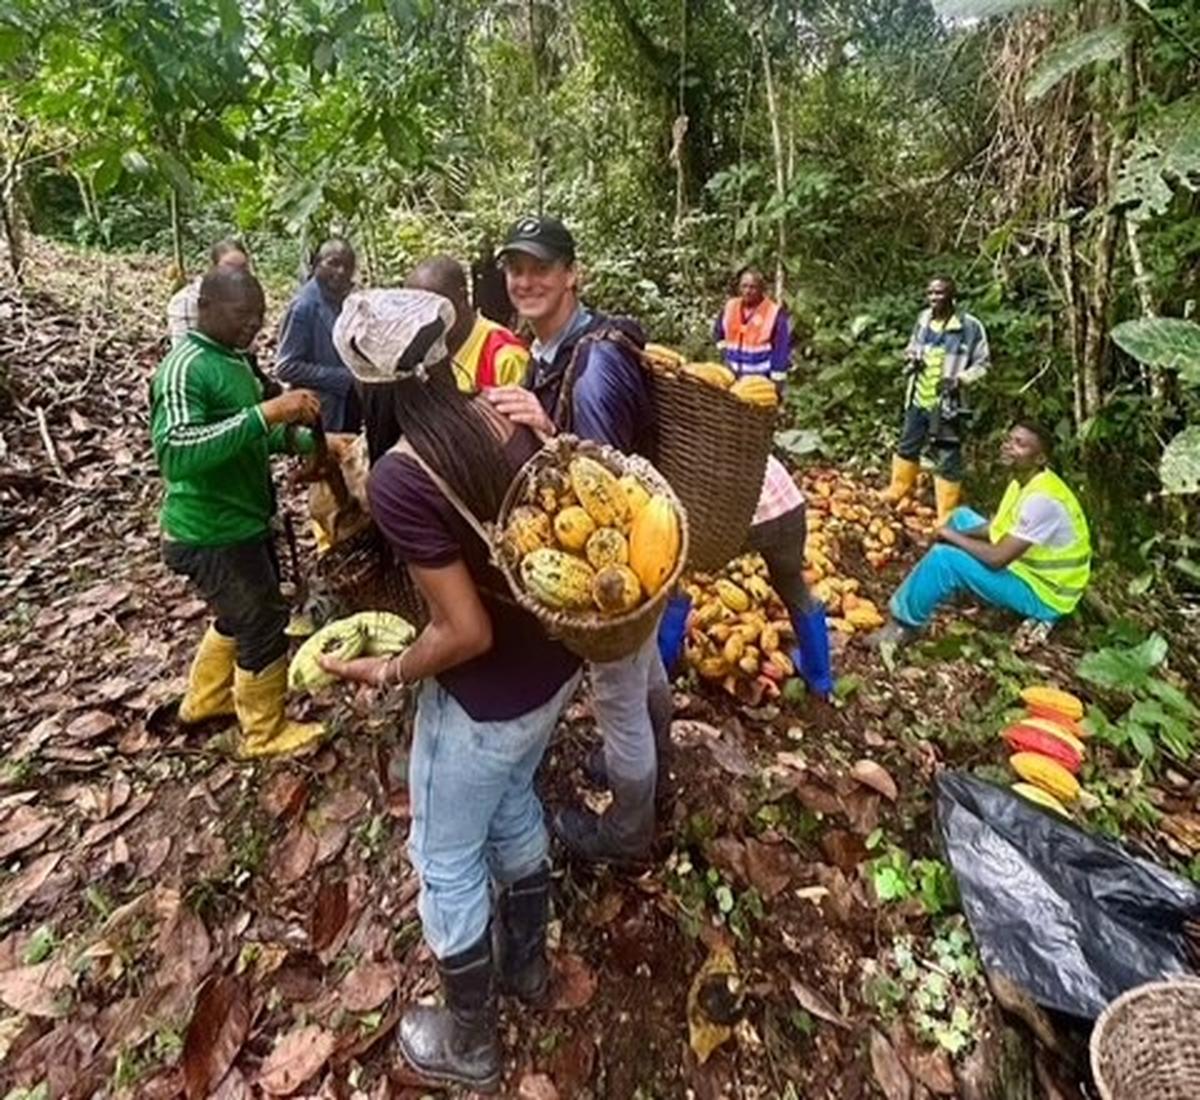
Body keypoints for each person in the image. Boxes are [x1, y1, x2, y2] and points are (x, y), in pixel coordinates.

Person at [315, 289, 582, 1093]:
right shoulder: (502, 409)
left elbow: (464, 631)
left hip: (483, 702)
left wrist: (387, 670)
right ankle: (526, 968)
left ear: (367, 387)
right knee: (511, 804)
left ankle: (468, 1043)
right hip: (553, 672)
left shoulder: (401, 476)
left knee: (445, 855)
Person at [484, 214, 669, 868]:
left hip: (624, 568)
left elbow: (607, 496)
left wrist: (542, 428)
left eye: (540, 267)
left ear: (572, 274)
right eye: (515, 268)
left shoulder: (595, 365)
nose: (525, 280)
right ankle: (656, 763)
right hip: (642, 561)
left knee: (618, 703)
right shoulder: (547, 349)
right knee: (645, 675)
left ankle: (628, 836)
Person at [151, 268, 325, 757]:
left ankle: (206, 701)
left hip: (242, 519)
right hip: (210, 530)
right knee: (262, 623)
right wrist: (266, 413)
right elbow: (176, 451)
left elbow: (248, 436)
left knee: (237, 613)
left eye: (259, 315)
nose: (253, 323)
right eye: (242, 314)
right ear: (204, 308)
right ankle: (263, 733)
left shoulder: (233, 360)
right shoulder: (186, 367)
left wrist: (309, 440)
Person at [871, 422, 1091, 646]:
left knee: (943, 558)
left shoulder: (1042, 500)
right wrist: (954, 533)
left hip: (1044, 593)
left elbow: (997, 558)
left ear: (1040, 458)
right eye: (1008, 440)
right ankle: (948, 588)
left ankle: (903, 627)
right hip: (1022, 566)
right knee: (961, 517)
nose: (1007, 446)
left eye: (1019, 444)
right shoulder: (1023, 480)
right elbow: (995, 528)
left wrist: (952, 537)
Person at [881, 276, 990, 524]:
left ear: (952, 296)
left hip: (948, 403)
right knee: (908, 444)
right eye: (930, 293)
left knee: (948, 455)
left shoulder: (970, 326)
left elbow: (983, 364)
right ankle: (898, 489)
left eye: (939, 293)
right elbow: (912, 347)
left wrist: (961, 379)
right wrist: (912, 358)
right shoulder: (923, 319)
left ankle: (946, 513)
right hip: (918, 396)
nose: (934, 298)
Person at [405, 255, 529, 391]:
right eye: (417, 312)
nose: (425, 321)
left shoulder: (504, 357)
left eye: (435, 309)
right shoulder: (419, 356)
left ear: (462, 297)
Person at [276, 238, 361, 432]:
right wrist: (342, 378)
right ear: (316, 265)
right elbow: (286, 367)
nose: (341, 271)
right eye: (333, 263)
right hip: (321, 411)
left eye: (347, 266)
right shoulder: (303, 307)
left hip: (347, 404)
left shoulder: (348, 300)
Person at [713, 266, 790, 386]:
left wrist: (777, 381)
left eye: (752, 287)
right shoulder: (730, 306)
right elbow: (719, 333)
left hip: (759, 380)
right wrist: (724, 355)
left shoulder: (774, 312)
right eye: (744, 286)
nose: (747, 291)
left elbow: (781, 349)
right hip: (731, 377)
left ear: (761, 289)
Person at [165, 239, 250, 346]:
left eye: (242, 267)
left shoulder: (245, 298)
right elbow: (183, 348)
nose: (236, 273)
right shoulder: (187, 300)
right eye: (228, 267)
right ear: (213, 268)